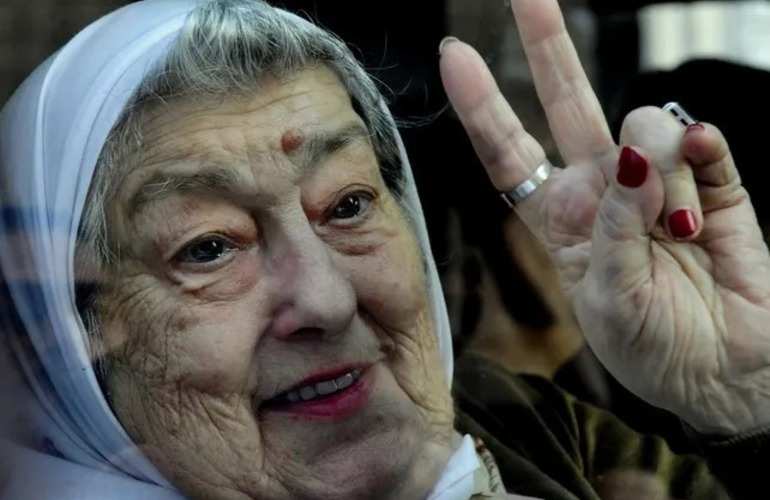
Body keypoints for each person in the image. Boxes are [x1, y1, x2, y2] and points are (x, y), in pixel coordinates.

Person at [1, 1, 770, 499]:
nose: (328, 301)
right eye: (208, 248)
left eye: (348, 204)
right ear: (78, 324)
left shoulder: (537, 434)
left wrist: (741, 397)